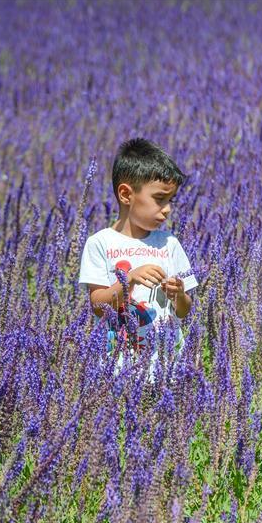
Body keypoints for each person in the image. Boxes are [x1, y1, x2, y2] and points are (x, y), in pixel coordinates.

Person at [79, 138, 198, 363]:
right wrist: (129, 281)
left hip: (166, 363)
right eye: (159, 199)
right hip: (116, 365)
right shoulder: (100, 244)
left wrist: (179, 294)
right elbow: (97, 306)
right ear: (126, 195)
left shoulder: (169, 244)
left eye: (171, 200)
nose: (167, 209)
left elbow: (183, 311)